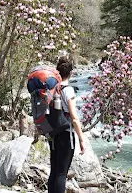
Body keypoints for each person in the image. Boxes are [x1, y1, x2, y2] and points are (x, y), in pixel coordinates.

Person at [48, 56, 85, 193]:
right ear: (71, 73)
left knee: (54, 171)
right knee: (61, 174)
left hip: (53, 133)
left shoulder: (52, 89)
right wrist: (81, 140)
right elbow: (74, 118)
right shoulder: (68, 90)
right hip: (65, 134)